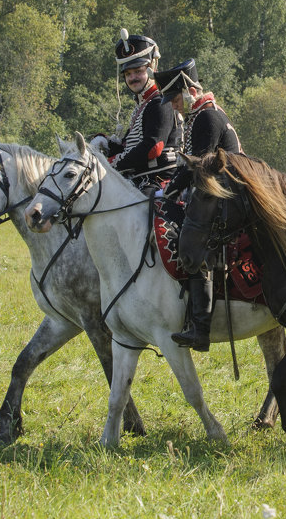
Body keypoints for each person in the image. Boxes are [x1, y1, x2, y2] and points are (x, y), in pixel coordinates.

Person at [155, 58, 241, 352]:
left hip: (225, 195)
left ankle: (200, 327)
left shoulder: (206, 117)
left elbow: (198, 167)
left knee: (194, 241)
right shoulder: (200, 115)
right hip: (214, 190)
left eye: (176, 98)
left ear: (190, 91)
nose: (173, 105)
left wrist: (167, 192)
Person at [91, 29, 180, 193]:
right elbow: (128, 149)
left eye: (138, 71)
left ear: (151, 68)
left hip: (159, 182)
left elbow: (153, 147)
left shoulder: (160, 103)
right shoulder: (142, 105)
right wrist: (105, 143)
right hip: (139, 182)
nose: (133, 78)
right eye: (128, 74)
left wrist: (110, 163)